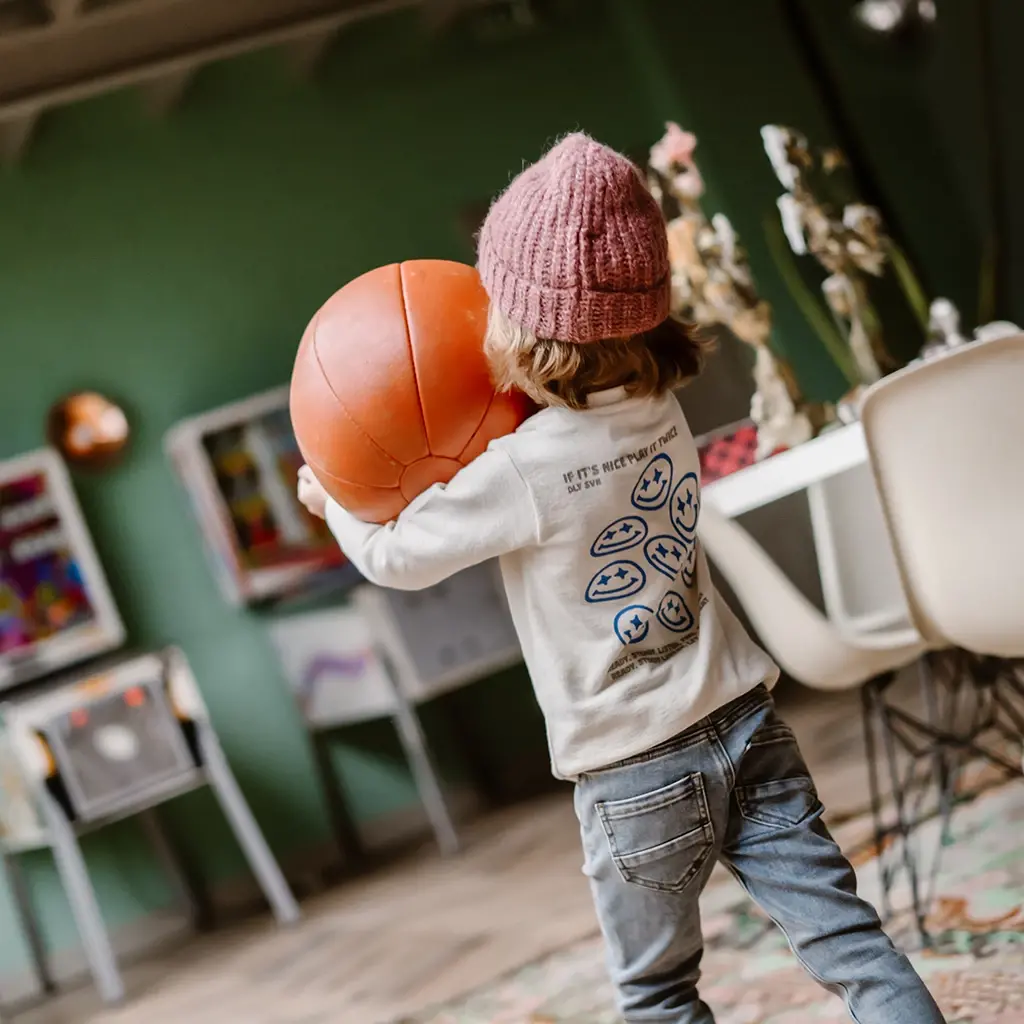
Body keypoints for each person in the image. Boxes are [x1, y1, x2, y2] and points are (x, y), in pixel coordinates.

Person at [297, 134, 945, 1024]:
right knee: (849, 943)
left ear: (521, 325)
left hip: (634, 773)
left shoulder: (523, 470)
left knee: (657, 991)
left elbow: (394, 558)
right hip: (746, 725)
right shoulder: (660, 409)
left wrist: (332, 500)